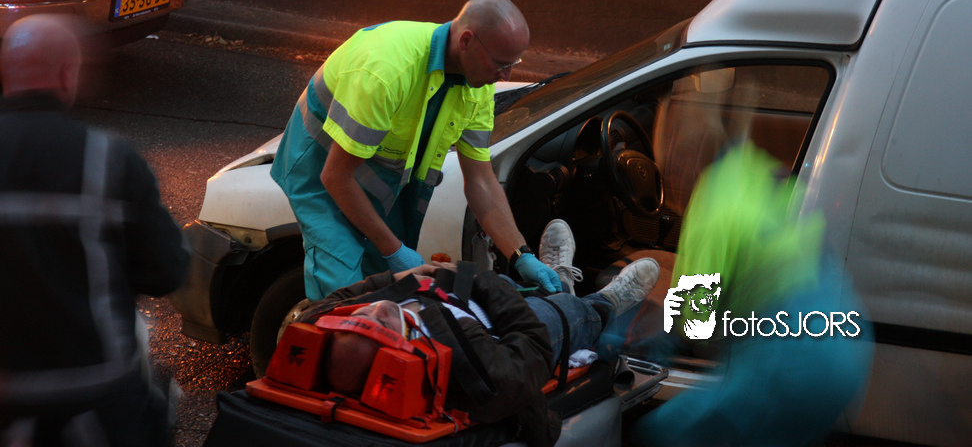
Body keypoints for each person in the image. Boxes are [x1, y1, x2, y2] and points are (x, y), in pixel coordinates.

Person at [271, 0, 561, 300]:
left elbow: (480, 180)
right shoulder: (386, 73)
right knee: (345, 293)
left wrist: (521, 254)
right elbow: (335, 177)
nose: (506, 76)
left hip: (377, 174)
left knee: (386, 289)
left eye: (513, 64)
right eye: (501, 63)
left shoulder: (477, 86)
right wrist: (393, 249)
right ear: (466, 41)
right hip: (321, 169)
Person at [296, 219, 661, 447]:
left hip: (453, 299)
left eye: (361, 315)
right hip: (498, 331)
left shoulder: (339, 328)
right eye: (382, 322)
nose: (377, 308)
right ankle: (602, 302)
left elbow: (326, 307)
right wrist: (482, 282)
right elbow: (531, 350)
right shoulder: (461, 353)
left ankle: (554, 280)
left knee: (505, 282)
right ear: (394, 353)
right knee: (562, 313)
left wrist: (403, 277)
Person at [0, 15, 190, 447]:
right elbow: (166, 271)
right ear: (68, 74)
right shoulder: (109, 160)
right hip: (93, 407)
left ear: (5, 72)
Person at [624, 141, 874, 447]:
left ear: (682, 165)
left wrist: (644, 338)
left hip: (790, 364)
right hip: (845, 347)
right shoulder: (761, 171)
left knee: (658, 436)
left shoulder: (714, 206)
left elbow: (694, 322)